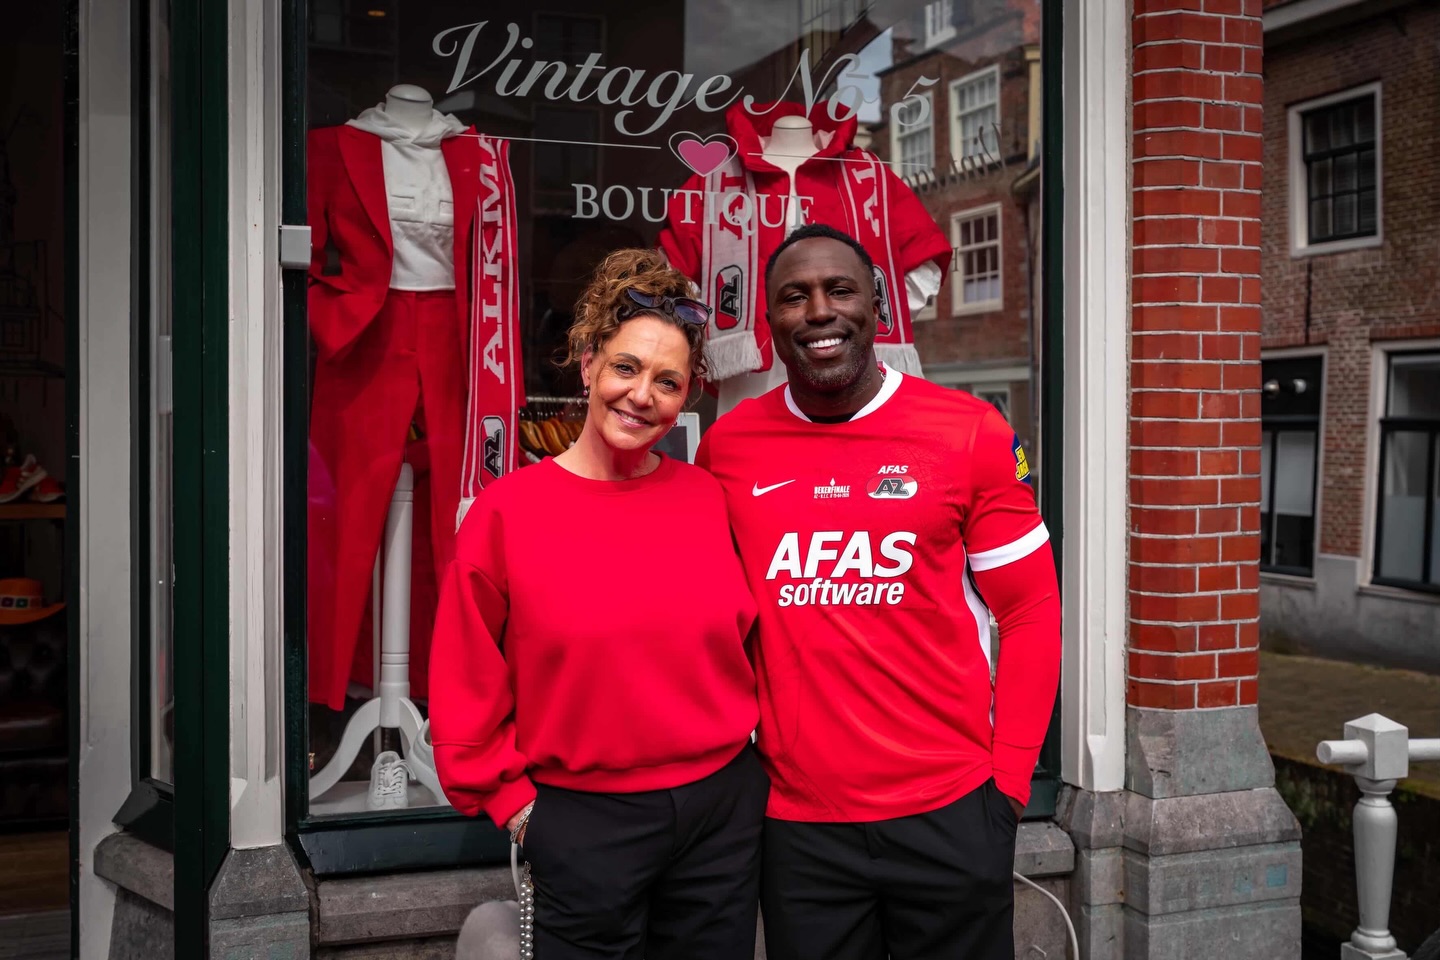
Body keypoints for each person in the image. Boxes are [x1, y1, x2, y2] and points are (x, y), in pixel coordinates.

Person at [696, 224, 1063, 960]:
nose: (818, 311)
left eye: (840, 290)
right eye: (794, 297)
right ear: (769, 321)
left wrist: (1010, 789)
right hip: (800, 829)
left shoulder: (969, 434)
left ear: (878, 303)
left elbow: (1029, 611)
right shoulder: (728, 449)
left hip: (952, 811)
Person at [429, 249, 768, 960]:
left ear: (688, 397)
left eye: (668, 382)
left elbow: (751, 642)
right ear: (586, 363)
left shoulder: (709, 499)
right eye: (626, 368)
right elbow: (464, 679)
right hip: (583, 819)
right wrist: (519, 812)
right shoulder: (506, 512)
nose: (643, 395)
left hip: (720, 812)